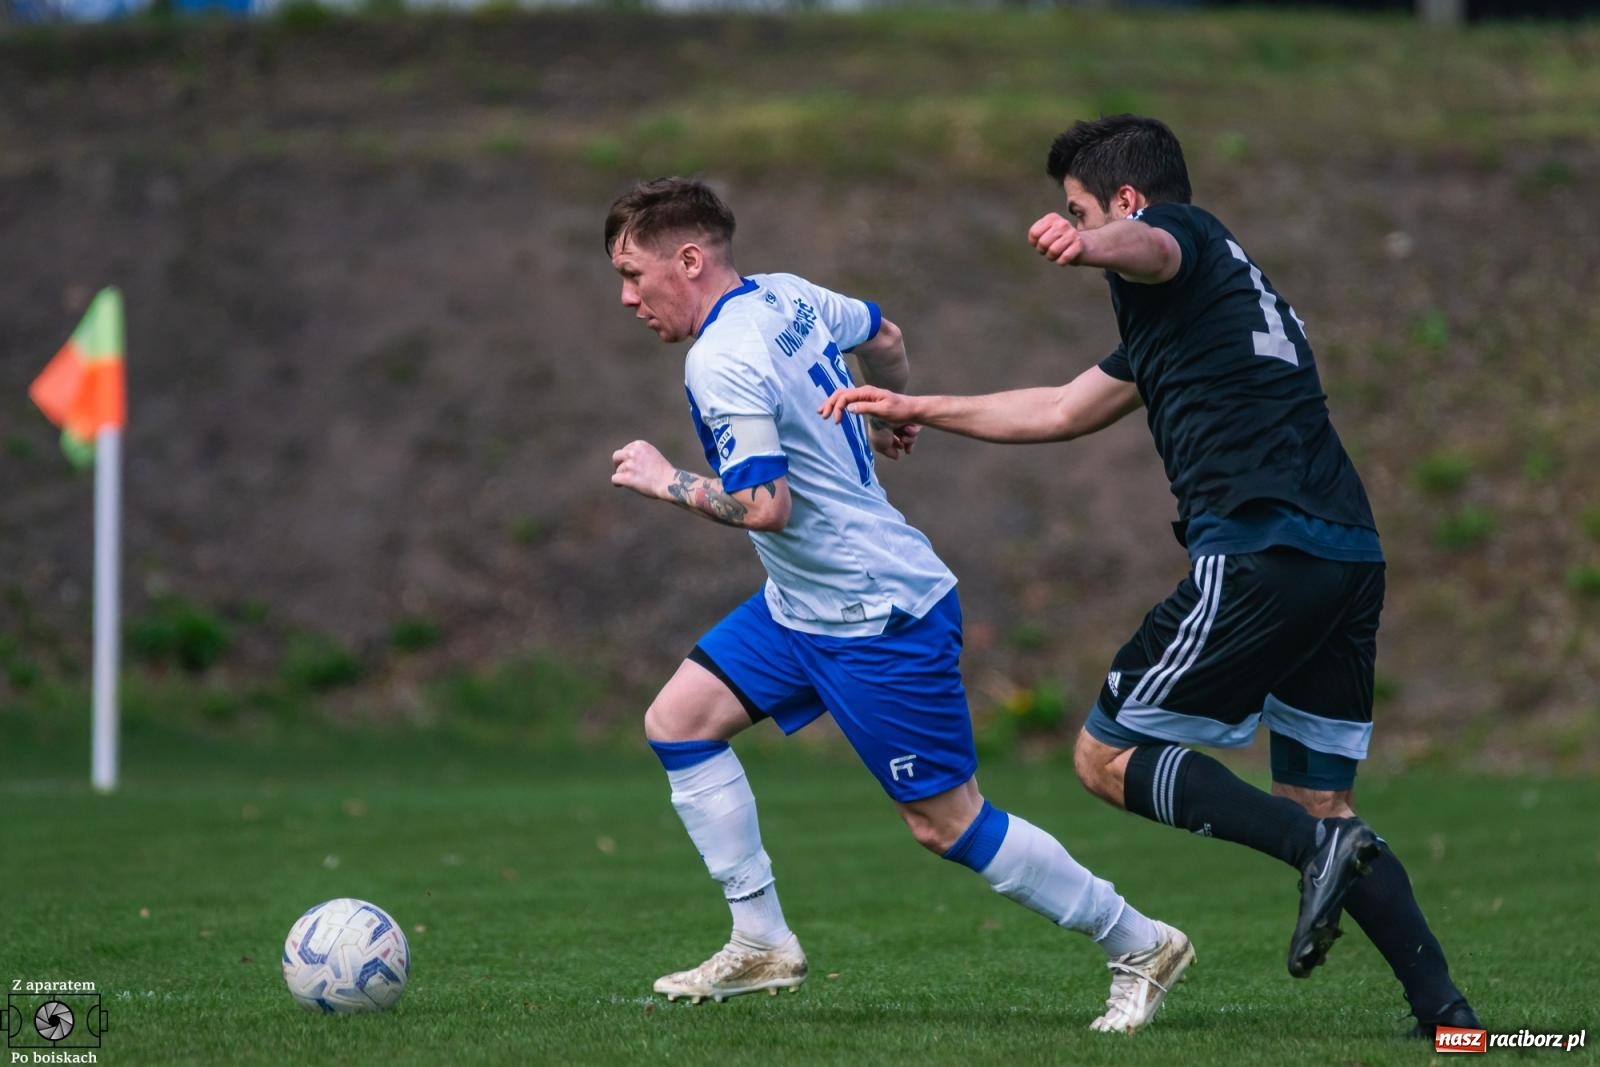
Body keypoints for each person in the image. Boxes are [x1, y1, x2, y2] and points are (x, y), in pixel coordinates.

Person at [818, 115, 1480, 1038]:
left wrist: (1090, 243)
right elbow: (1056, 407)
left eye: (1079, 205)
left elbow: (1155, 241)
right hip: (1345, 559)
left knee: (1104, 755)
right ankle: (1449, 1014)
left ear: (1122, 201)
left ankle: (1316, 848)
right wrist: (916, 403)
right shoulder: (1210, 307)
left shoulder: (1184, 241)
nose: (1075, 221)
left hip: (1259, 548)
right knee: (1323, 796)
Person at [605, 177, 1193, 1033]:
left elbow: (767, 506)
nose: (627, 297)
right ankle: (762, 937)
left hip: (873, 612)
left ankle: (1139, 940)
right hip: (803, 603)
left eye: (633, 273)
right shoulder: (787, 294)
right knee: (679, 720)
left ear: (688, 260)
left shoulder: (717, 358)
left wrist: (668, 481)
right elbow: (884, 334)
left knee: (947, 824)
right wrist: (888, 415)